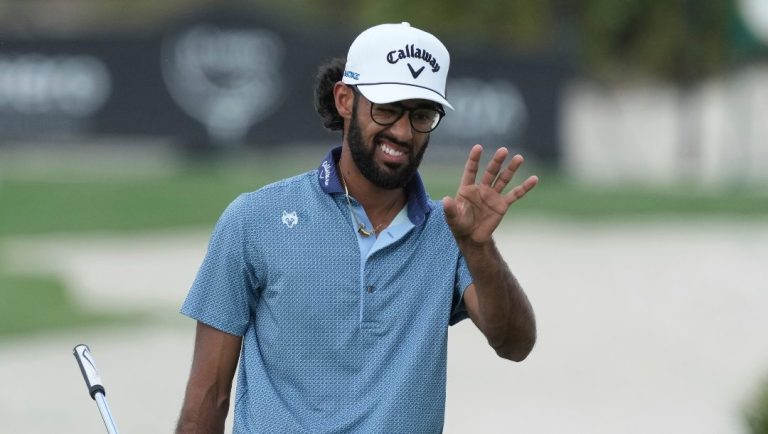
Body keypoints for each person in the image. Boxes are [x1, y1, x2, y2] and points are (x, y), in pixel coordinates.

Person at [176, 22, 538, 433]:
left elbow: (514, 343)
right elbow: (209, 395)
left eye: (421, 115)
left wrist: (479, 248)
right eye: (386, 109)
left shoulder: (451, 234)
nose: (402, 133)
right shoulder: (254, 220)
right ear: (345, 99)